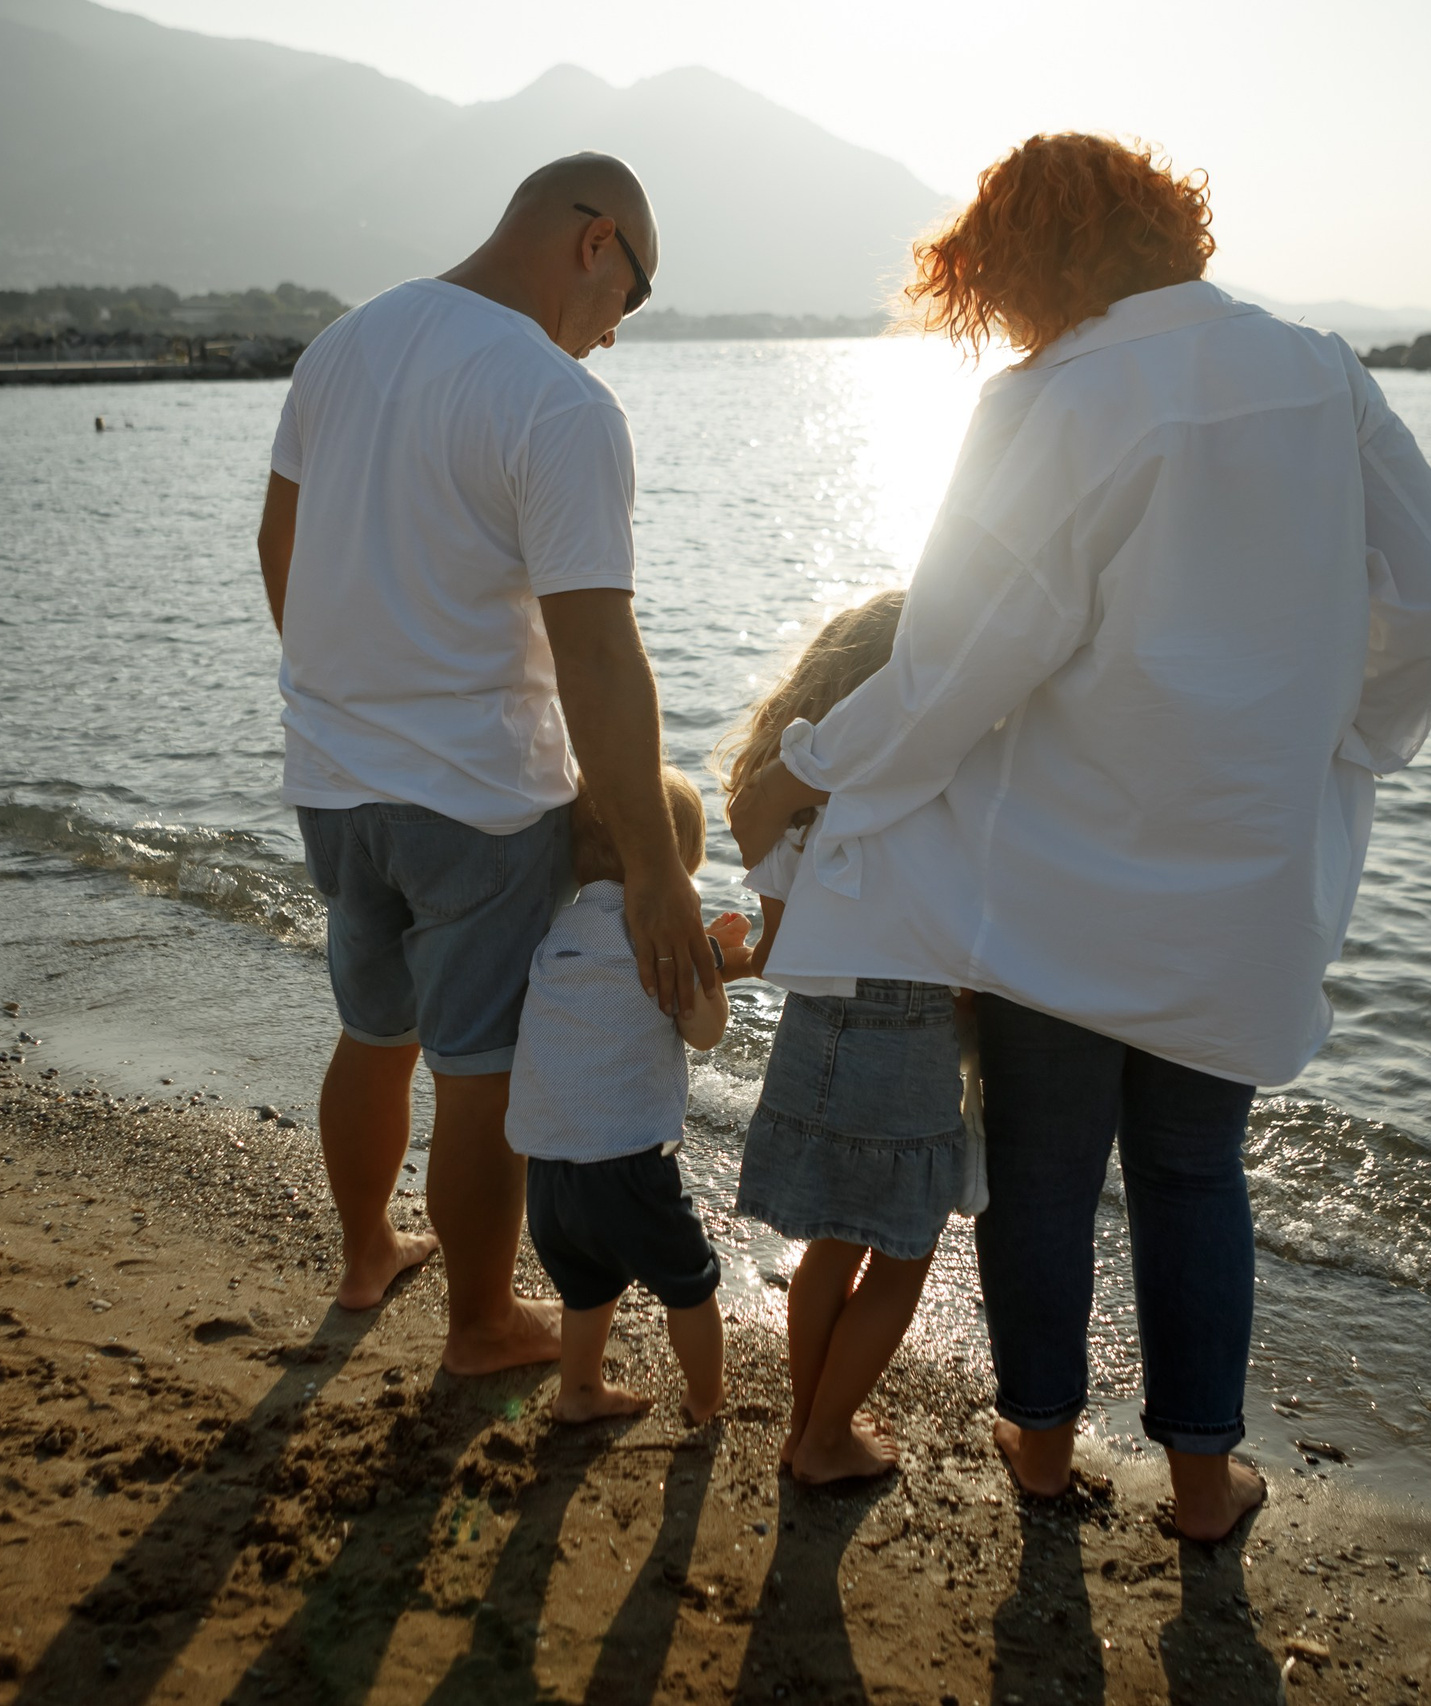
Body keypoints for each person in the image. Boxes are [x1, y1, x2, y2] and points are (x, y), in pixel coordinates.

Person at [729, 132, 1431, 1537]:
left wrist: (806, 769)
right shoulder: (1323, 373)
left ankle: (1038, 1444)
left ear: (1021, 265)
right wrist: (1339, 734)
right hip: (1244, 874)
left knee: (1047, 1176)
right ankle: (1199, 1484)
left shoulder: (1050, 399)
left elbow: (958, 663)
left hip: (1054, 875)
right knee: (1194, 1171)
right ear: (1160, 225)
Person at [257, 153, 719, 1377]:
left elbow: (279, 543)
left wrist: (339, 698)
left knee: (373, 1030)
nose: (615, 332)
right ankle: (478, 1324)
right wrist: (658, 870)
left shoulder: (343, 345)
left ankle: (367, 1253)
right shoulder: (556, 402)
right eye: (632, 297)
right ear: (595, 240)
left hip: (332, 781)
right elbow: (598, 651)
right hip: (477, 798)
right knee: (478, 1069)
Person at [713, 591, 967, 1485]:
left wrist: (725, 962)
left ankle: (808, 1426)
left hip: (813, 1029)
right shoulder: (940, 789)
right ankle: (824, 1439)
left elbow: (780, 946)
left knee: (830, 1243)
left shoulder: (792, 804)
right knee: (902, 1255)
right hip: (907, 1033)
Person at [504, 768, 735, 1424]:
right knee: (690, 1284)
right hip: (625, 1166)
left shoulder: (562, 930)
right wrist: (710, 969)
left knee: (587, 1285)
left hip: (548, 1171)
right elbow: (706, 1031)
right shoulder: (660, 935)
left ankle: (578, 1391)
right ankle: (706, 1399)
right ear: (680, 861)